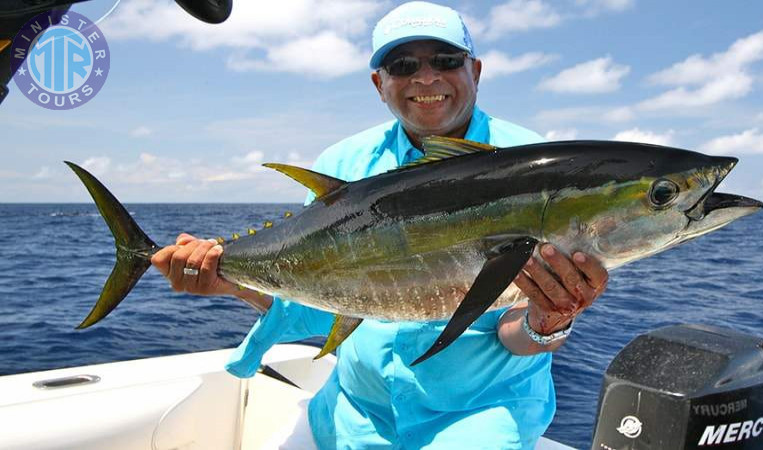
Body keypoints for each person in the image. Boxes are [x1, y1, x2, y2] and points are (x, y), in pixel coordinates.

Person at [152, 2, 608, 448]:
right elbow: (320, 295)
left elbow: (514, 328)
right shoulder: (344, 164)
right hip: (353, 414)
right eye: (403, 64)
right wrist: (228, 282)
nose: (426, 78)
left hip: (476, 419)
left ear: (476, 71)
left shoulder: (537, 167)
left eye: (446, 60)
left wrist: (548, 320)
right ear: (379, 83)